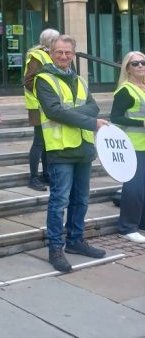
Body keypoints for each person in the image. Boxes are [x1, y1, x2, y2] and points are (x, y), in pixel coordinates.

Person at [34, 34, 107, 272]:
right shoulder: (43, 78)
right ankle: (56, 247)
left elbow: (94, 106)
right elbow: (55, 112)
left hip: (84, 148)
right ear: (51, 53)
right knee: (59, 201)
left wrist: (74, 112)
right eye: (59, 52)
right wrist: (88, 120)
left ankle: (76, 240)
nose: (64, 56)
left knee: (81, 200)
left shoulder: (80, 80)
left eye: (68, 53)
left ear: (73, 54)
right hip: (60, 150)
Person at [109, 51, 145, 244]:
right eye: (135, 63)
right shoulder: (126, 90)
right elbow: (115, 117)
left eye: (143, 62)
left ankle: (141, 223)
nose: (140, 66)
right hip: (134, 145)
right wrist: (141, 124)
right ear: (127, 69)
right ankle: (127, 227)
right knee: (134, 188)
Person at [24, 28, 59, 191]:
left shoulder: (48, 56)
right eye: (57, 40)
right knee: (39, 142)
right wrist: (45, 94)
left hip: (45, 105)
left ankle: (46, 174)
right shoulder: (37, 57)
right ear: (50, 42)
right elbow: (29, 81)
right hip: (38, 106)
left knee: (45, 142)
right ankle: (33, 177)